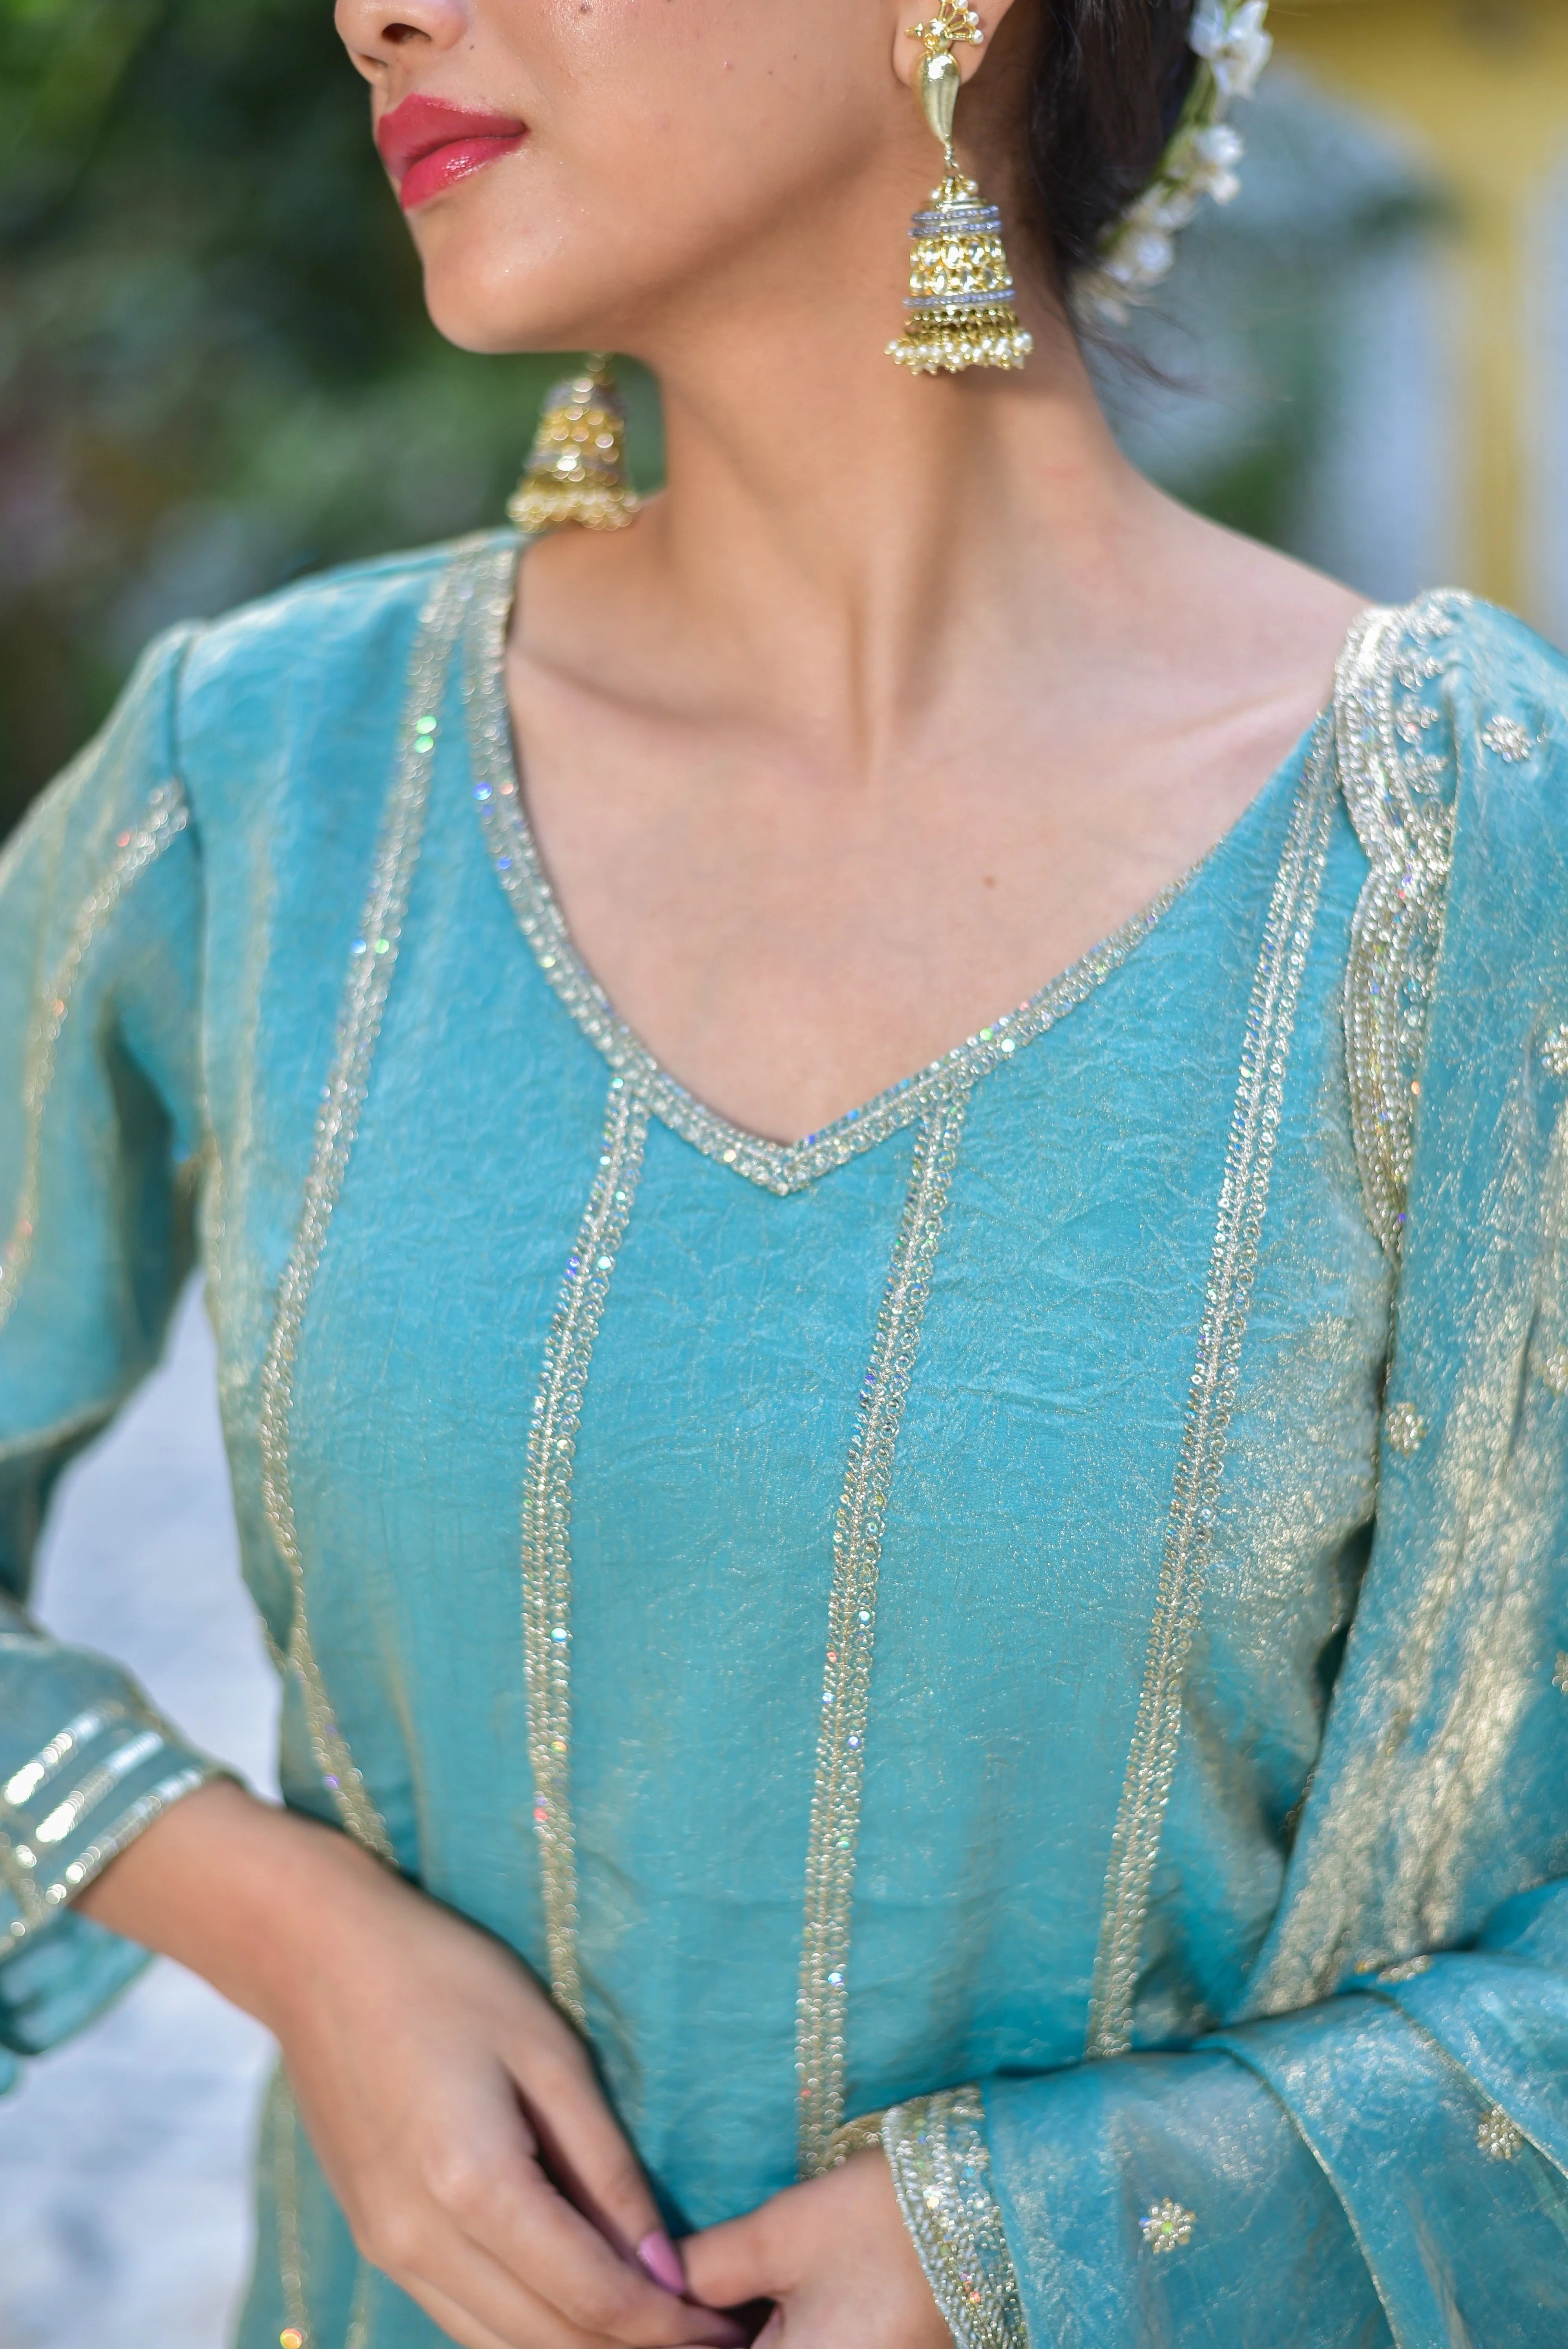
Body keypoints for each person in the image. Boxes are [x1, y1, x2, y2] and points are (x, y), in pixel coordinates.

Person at [2, 0, 1566, 2342]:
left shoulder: (1454, 855)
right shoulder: (271, 780)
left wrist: (1054, 2238)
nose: (372, 9)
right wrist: (266, 1913)